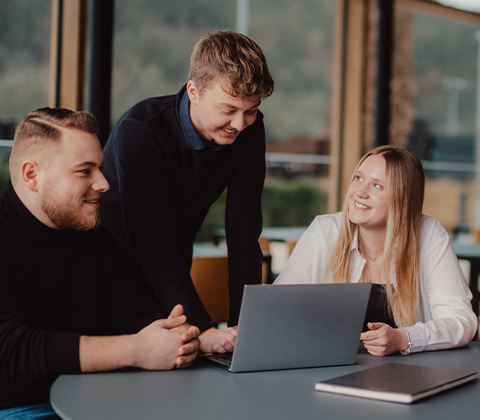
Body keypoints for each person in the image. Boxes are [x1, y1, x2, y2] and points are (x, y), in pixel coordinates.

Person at [0, 107, 200, 420]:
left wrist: (174, 335)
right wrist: (139, 349)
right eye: (85, 171)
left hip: (85, 400)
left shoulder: (94, 239)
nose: (104, 183)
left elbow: (133, 310)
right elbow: (9, 350)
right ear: (31, 175)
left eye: (101, 168)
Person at [100, 30, 274, 354]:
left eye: (251, 110)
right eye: (229, 109)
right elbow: (152, 244)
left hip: (172, 268)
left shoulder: (249, 129)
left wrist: (245, 327)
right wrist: (202, 327)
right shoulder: (140, 133)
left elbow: (243, 232)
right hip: (108, 276)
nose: (240, 123)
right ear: (194, 91)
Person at [275, 145, 477, 356]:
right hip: (327, 367)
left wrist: (404, 338)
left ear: (402, 198)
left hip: (412, 374)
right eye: (359, 178)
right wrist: (239, 334)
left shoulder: (429, 234)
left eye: (377, 186)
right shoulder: (325, 229)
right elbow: (277, 306)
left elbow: (462, 321)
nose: (360, 192)